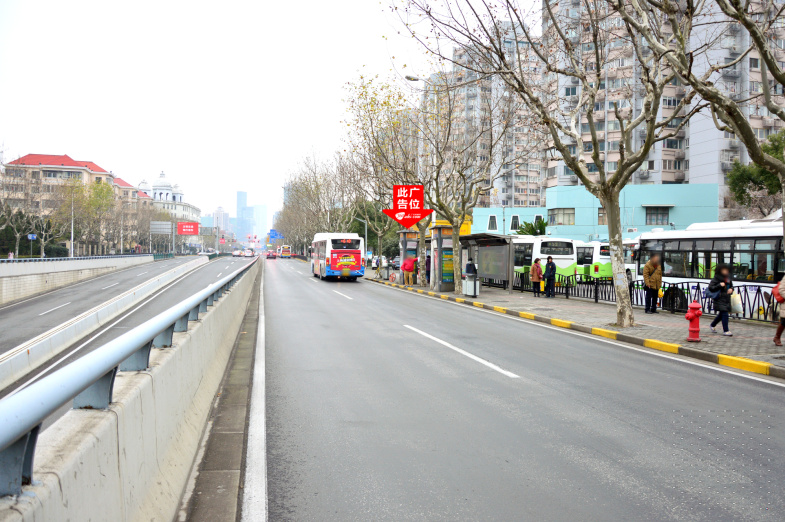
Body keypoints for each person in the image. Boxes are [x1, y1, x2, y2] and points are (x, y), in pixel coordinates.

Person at [708, 264, 734, 336]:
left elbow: (731, 286)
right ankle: (726, 330)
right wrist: (719, 285)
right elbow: (711, 288)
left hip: (726, 298)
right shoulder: (716, 278)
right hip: (719, 299)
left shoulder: (727, 278)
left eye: (727, 270)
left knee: (721, 314)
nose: (726, 271)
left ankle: (712, 325)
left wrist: (731, 289)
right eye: (724, 270)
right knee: (725, 314)